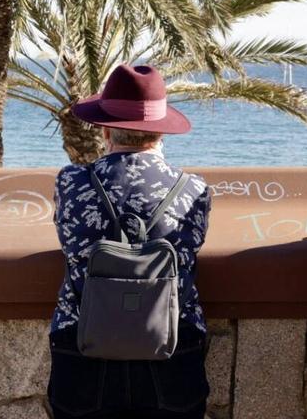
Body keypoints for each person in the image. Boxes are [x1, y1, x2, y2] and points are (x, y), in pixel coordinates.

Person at [48, 64, 212, 419]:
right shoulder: (193, 189)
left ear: (106, 130)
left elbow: (66, 236)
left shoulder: (71, 182)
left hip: (83, 345)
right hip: (170, 346)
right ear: (160, 132)